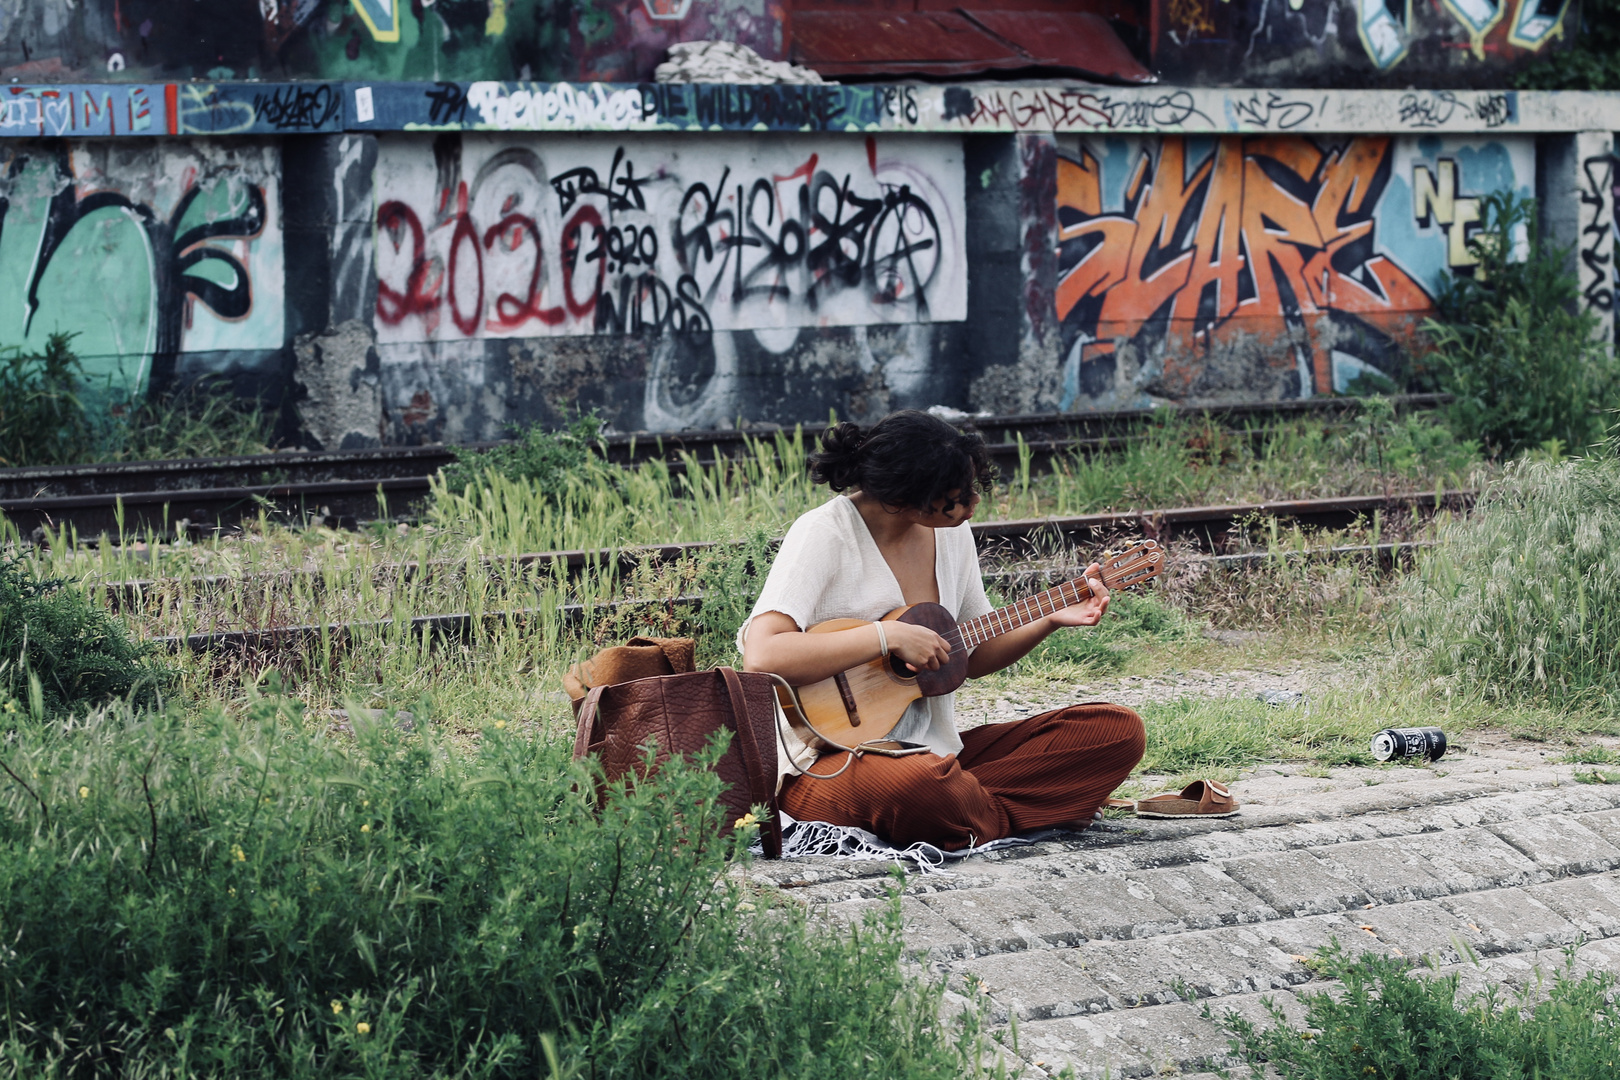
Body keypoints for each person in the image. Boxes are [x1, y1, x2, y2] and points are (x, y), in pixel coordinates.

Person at [739, 410, 1146, 851]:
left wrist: (1049, 617)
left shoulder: (952, 534)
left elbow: (974, 654)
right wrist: (886, 637)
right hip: (827, 761)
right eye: (958, 496)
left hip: (934, 753)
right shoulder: (824, 533)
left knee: (1115, 730)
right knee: (919, 787)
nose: (973, 504)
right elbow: (763, 655)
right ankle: (1001, 813)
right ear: (908, 496)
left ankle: (968, 814)